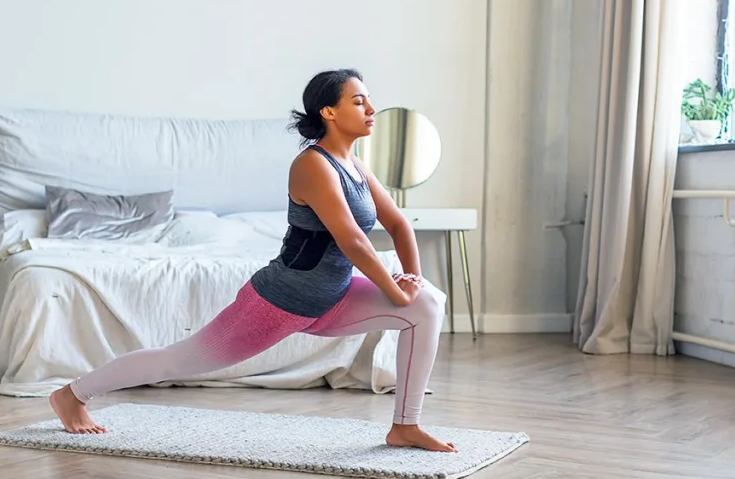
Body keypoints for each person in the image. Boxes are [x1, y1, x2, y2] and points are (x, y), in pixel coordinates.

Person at [48, 68, 457, 453]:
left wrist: (412, 283)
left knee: (428, 303)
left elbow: (399, 224)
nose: (370, 110)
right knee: (177, 361)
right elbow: (351, 239)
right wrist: (393, 291)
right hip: (278, 304)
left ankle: (405, 425)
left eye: (369, 101)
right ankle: (72, 395)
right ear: (329, 112)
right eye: (359, 101)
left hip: (332, 299)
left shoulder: (357, 166)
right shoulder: (313, 164)